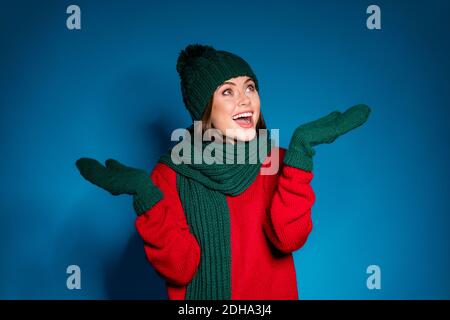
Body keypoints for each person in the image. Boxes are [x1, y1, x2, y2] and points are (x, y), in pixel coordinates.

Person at [76, 44, 371, 300]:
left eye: (250, 87)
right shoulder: (171, 175)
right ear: (204, 109)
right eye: (228, 91)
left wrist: (301, 152)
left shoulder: (279, 161)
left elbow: (288, 238)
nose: (245, 99)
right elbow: (180, 268)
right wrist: (147, 197)